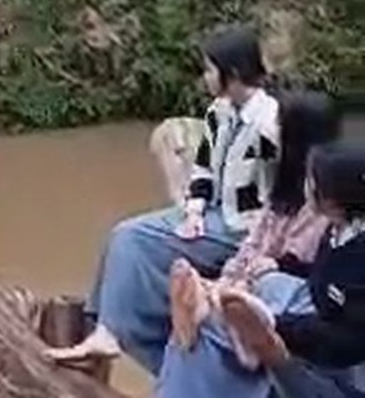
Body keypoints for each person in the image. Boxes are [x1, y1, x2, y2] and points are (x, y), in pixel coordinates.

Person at [49, 26, 280, 375]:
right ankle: (108, 327)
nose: (204, 77)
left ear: (230, 73)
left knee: (132, 236)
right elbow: (204, 169)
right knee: (123, 236)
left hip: (242, 228)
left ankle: (113, 331)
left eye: (209, 69)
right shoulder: (220, 112)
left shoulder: (269, 122)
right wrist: (193, 211)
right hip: (213, 215)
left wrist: (261, 247)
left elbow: (280, 194)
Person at [155, 137, 365, 398]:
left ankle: (216, 311)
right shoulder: (338, 229)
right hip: (325, 312)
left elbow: (346, 341)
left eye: (312, 181)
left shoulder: (358, 255)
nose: (306, 186)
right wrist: (277, 264)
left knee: (226, 325)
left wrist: (277, 326)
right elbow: (320, 273)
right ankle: (214, 304)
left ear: (334, 199)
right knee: (268, 282)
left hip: (345, 363)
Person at [168, 90, 343, 352]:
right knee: (233, 281)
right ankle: (213, 300)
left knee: (269, 283)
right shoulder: (285, 183)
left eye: (280, 125)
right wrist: (232, 274)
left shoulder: (329, 194)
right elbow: (256, 239)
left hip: (298, 285)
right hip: (263, 274)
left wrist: (267, 268)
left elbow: (304, 258)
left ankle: (220, 312)